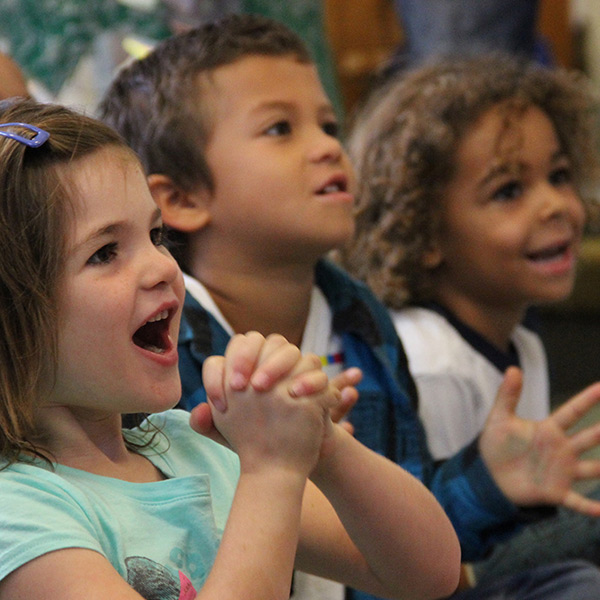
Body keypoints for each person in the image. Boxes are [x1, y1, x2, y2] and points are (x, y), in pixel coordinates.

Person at [99, 14, 600, 600]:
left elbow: (408, 543)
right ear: (181, 199)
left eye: (328, 123)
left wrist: (486, 481)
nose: (328, 146)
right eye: (281, 129)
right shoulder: (159, 341)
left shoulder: (358, 317)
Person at [0, 98, 463, 600]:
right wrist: (272, 472)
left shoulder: (189, 450)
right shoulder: (17, 514)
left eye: (155, 235)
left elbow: (428, 574)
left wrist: (322, 444)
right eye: (105, 252)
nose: (162, 267)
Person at [337, 54, 600, 583]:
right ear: (425, 233)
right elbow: (428, 543)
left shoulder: (519, 339)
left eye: (559, 175)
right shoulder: (429, 362)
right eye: (508, 190)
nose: (555, 204)